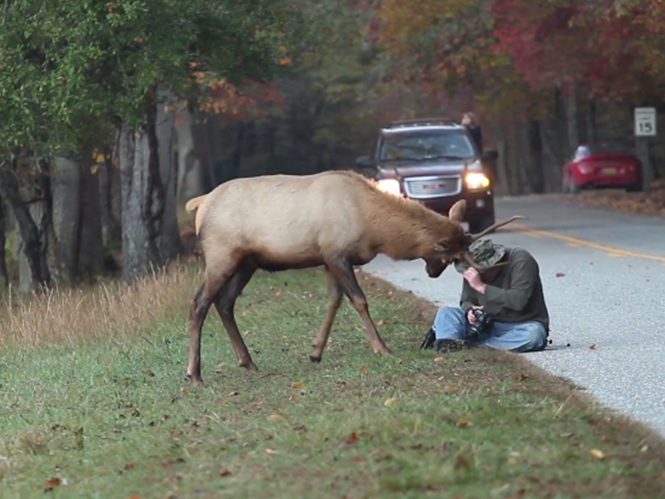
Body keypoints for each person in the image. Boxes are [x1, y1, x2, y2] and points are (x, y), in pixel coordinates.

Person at [420, 238, 549, 353]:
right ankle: (448, 342)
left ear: (495, 264)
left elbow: (519, 301)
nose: (476, 275)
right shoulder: (471, 269)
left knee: (534, 335)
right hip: (484, 325)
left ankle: (479, 347)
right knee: (446, 313)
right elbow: (466, 300)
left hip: (520, 324)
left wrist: (481, 287)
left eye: (481, 272)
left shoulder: (521, 259)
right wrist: (470, 311)